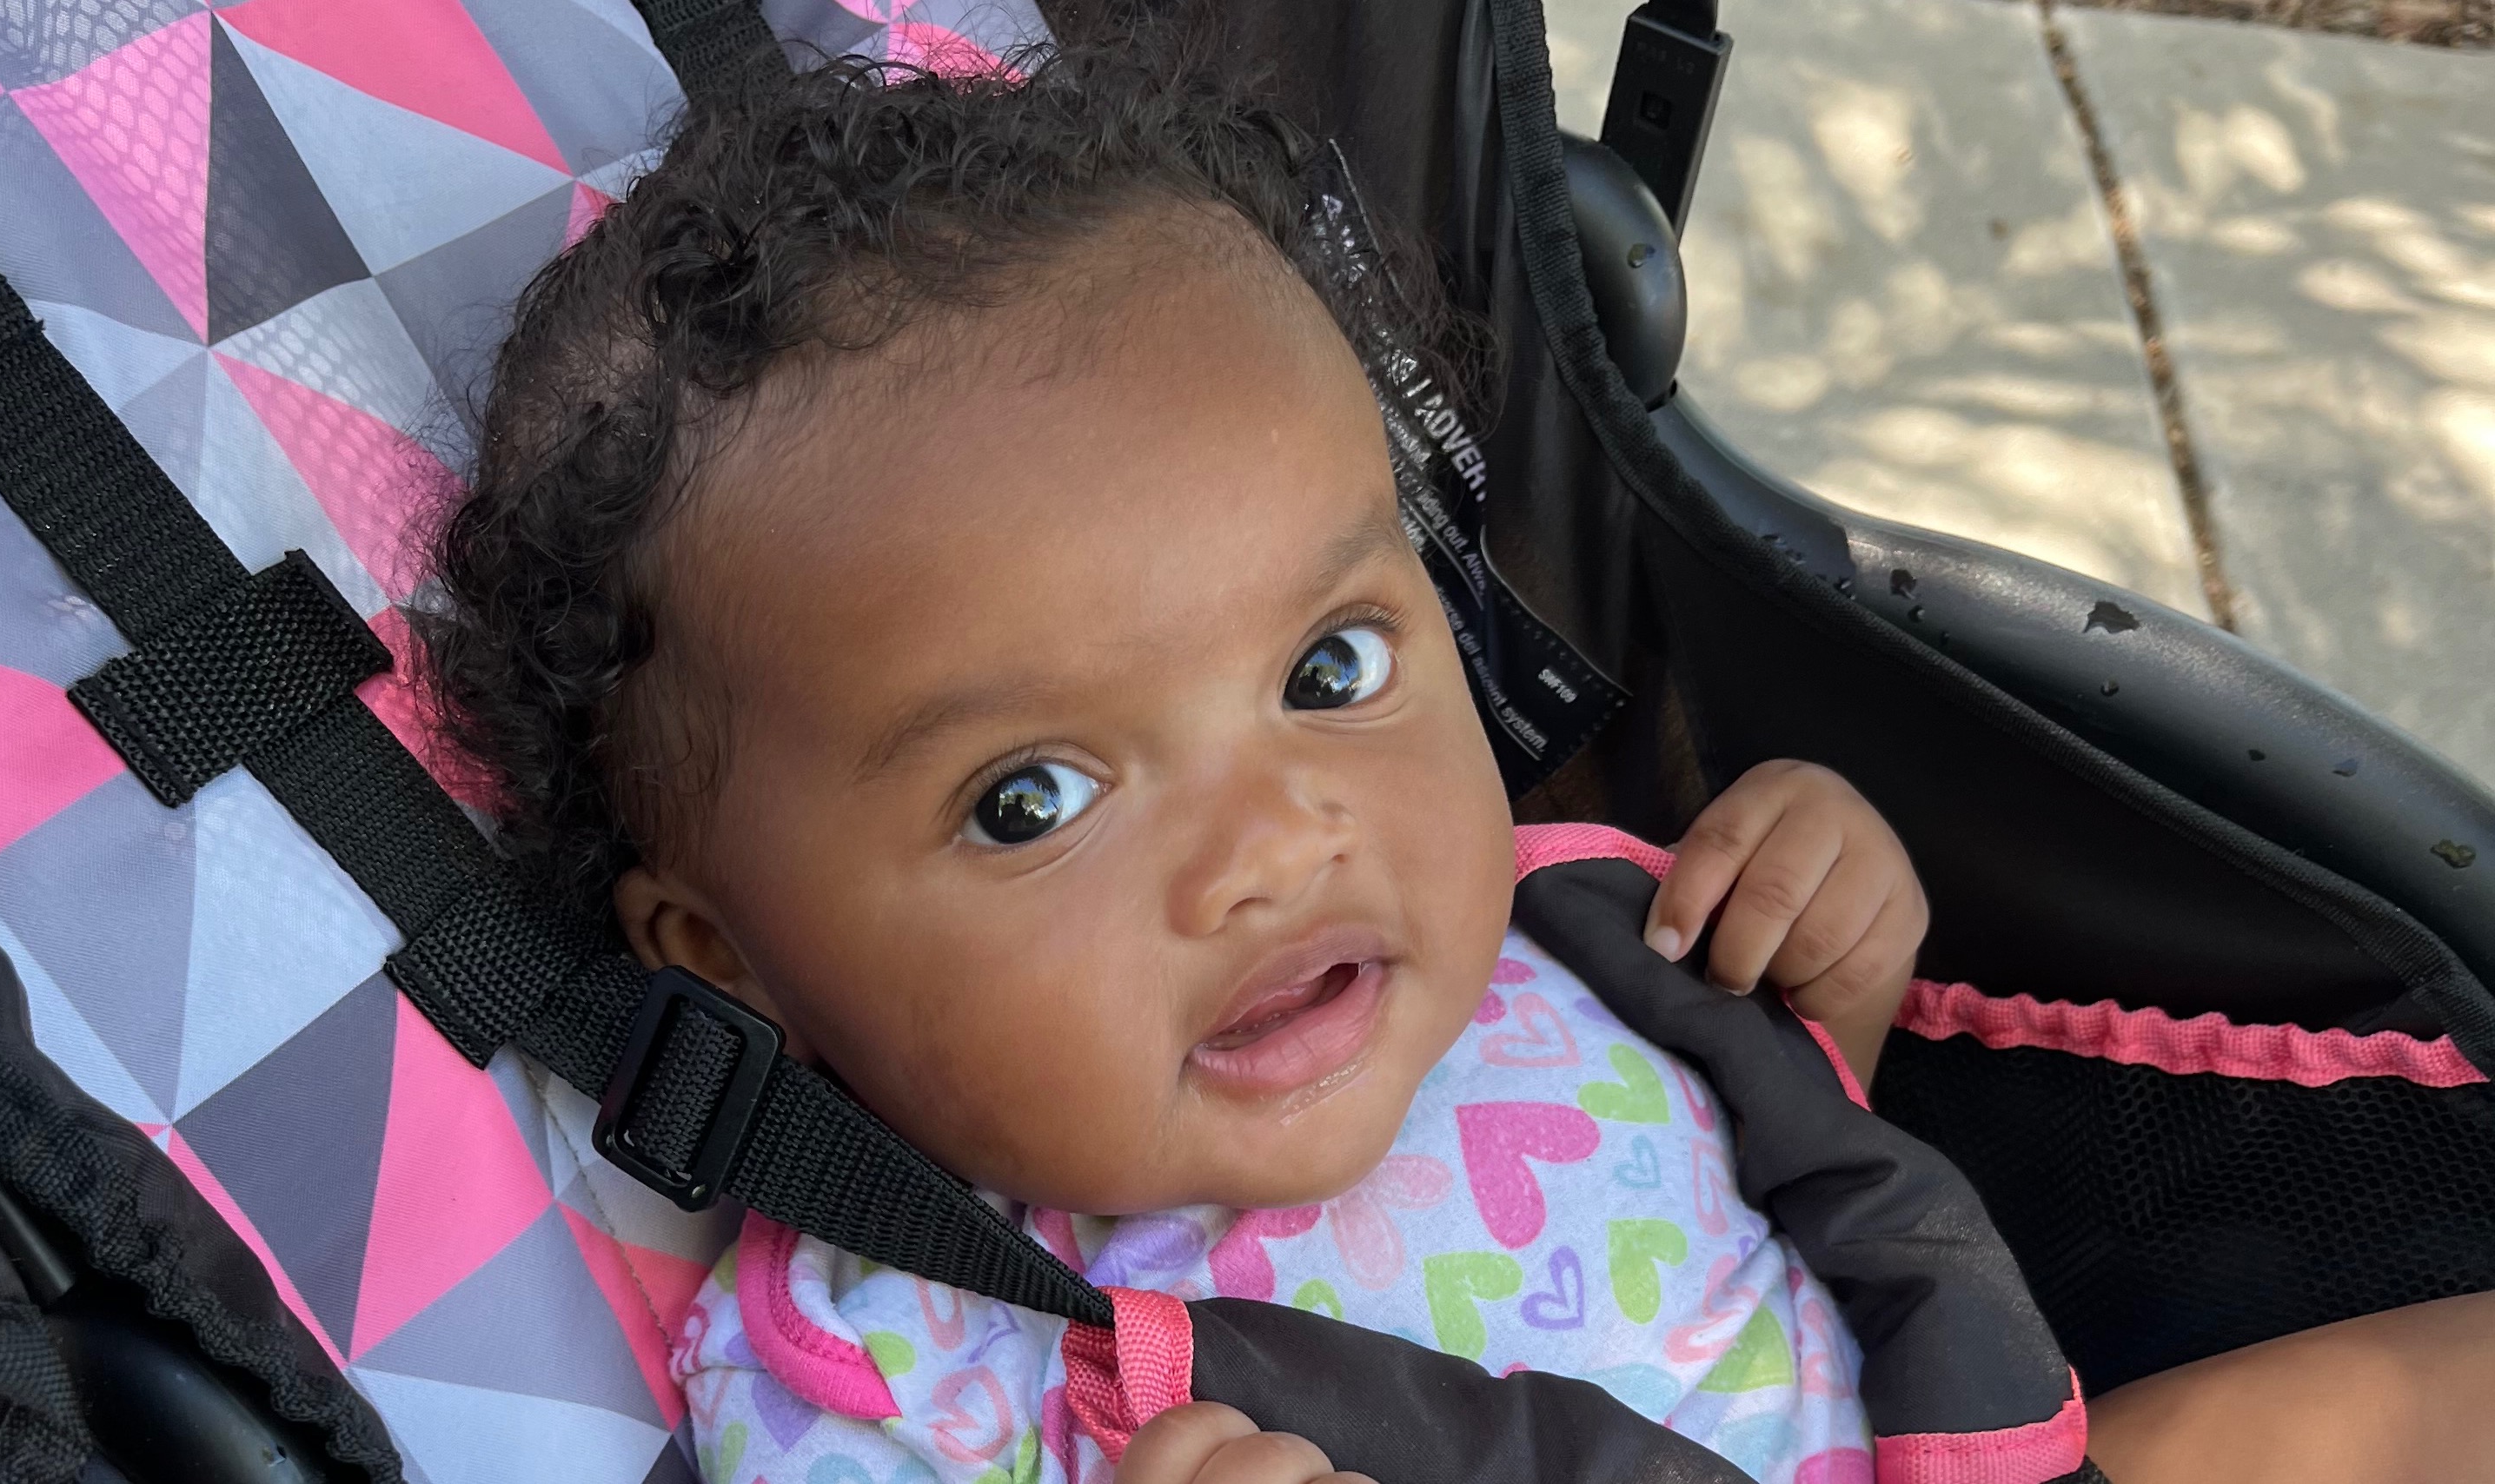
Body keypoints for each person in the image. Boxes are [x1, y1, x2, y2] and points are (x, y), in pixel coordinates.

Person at [415, 32, 2492, 1484]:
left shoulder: (1555, 940)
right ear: (735, 953)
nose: (1276, 841)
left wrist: (1826, 961)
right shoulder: (883, 1359)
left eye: (1329, 666)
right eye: (1032, 795)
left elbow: (1784, 1173)